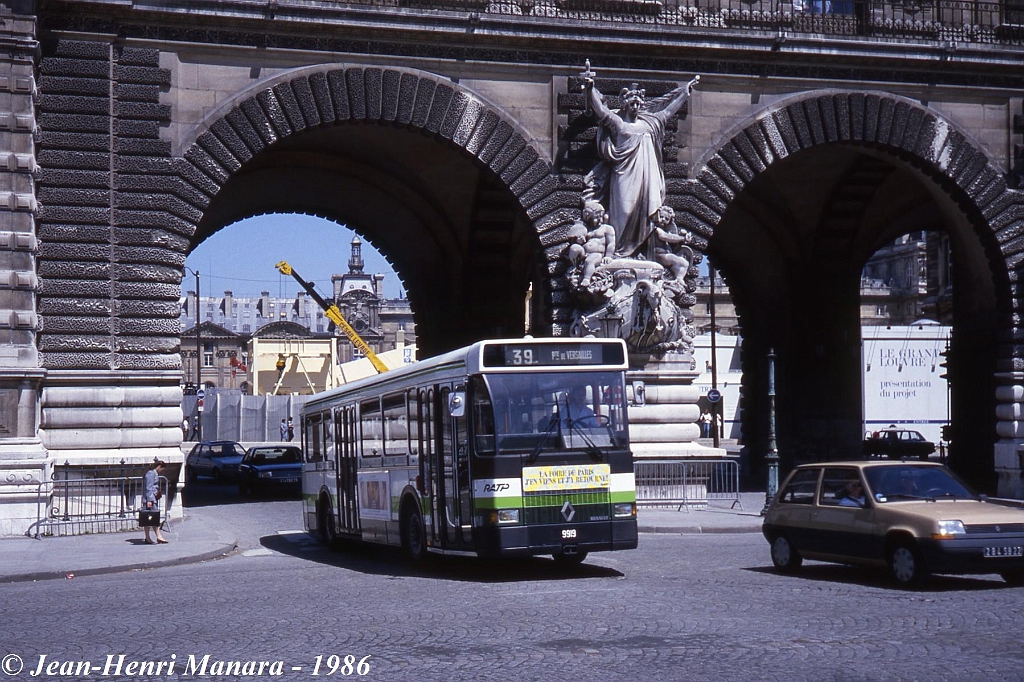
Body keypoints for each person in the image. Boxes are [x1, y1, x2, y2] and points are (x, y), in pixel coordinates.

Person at [582, 72, 699, 259]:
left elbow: (668, 112)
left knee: (650, 213)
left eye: (638, 103)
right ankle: (619, 253)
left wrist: (685, 93)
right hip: (624, 175)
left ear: (642, 105)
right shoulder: (618, 124)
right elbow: (602, 112)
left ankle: (646, 253)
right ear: (625, 104)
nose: (635, 106)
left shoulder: (651, 124)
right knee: (623, 212)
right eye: (632, 103)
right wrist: (590, 89)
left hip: (648, 176)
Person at [567, 200, 617, 286]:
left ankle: (586, 279)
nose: (599, 220)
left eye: (600, 217)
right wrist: (579, 241)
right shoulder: (585, 228)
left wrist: (608, 256)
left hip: (597, 255)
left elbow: (611, 243)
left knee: (589, 261)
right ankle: (574, 266)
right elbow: (579, 242)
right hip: (585, 254)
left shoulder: (607, 228)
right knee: (574, 248)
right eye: (596, 218)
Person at [650, 205, 694, 280]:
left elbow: (673, 237)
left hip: (665, 255)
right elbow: (665, 236)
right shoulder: (656, 229)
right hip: (658, 255)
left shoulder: (666, 230)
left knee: (684, 263)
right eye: (661, 217)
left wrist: (683, 237)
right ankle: (678, 280)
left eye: (667, 219)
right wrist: (682, 238)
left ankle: (678, 279)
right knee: (680, 262)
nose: (663, 219)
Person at [141, 460, 168, 544]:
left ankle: (150, 537)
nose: (161, 471)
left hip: (152, 498)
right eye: (162, 469)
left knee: (150, 518)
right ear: (159, 466)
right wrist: (150, 500)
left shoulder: (153, 473)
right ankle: (157, 536)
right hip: (150, 500)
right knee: (153, 517)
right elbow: (148, 487)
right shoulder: (151, 473)